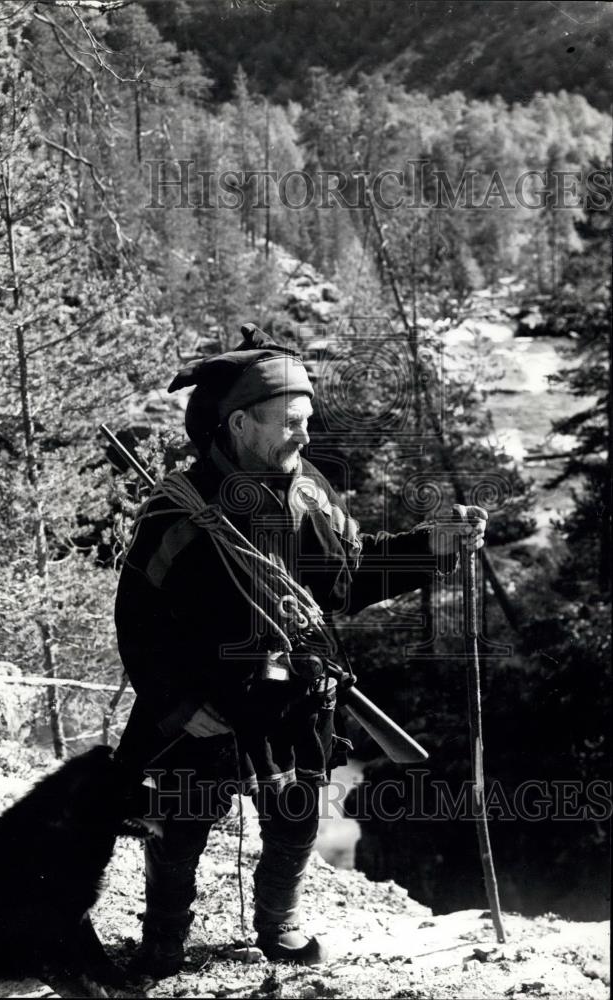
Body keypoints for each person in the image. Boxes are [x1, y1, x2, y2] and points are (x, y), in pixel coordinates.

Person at [114, 324, 487, 976]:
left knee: (293, 819)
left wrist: (439, 545)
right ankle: (163, 938)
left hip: (293, 696)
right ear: (237, 425)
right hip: (202, 700)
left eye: (306, 421)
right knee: (181, 821)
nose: (305, 435)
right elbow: (138, 621)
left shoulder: (309, 491)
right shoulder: (175, 513)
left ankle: (278, 925)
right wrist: (174, 703)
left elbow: (351, 577)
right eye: (290, 421)